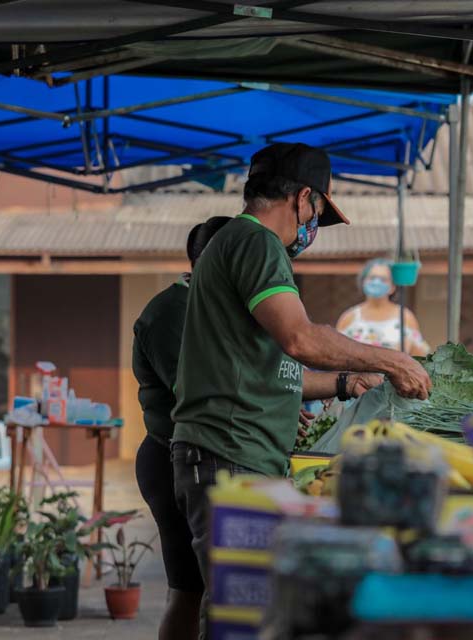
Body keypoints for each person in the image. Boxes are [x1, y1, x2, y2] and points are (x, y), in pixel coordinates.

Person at [171, 142, 431, 632]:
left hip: (236, 450)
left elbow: (270, 367)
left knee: (244, 603)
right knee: (241, 609)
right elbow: (301, 338)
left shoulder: (240, 244)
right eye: (317, 212)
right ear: (303, 198)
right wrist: (393, 360)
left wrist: (343, 381)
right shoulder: (255, 242)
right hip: (229, 451)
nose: (313, 226)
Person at [132, 217, 230, 640]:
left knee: (202, 587)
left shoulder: (216, 306)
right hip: (173, 459)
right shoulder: (171, 312)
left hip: (203, 455)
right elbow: (199, 392)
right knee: (190, 589)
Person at [337, 258, 431, 356]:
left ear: (392, 287)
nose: (376, 282)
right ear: (363, 282)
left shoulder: (405, 317)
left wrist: (410, 345)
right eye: (372, 278)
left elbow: (422, 356)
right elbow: (336, 353)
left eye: (383, 279)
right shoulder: (349, 317)